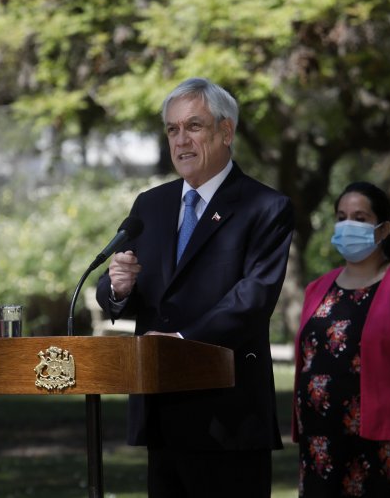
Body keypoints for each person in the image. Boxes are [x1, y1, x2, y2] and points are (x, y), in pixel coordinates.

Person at [95, 77, 294, 497]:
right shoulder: (151, 204)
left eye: (194, 126)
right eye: (172, 129)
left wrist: (183, 341)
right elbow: (115, 286)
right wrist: (118, 287)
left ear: (226, 131)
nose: (181, 140)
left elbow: (254, 297)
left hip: (228, 415)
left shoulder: (265, 207)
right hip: (162, 409)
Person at [293, 181, 390, 497]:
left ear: (383, 230)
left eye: (360, 217)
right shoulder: (317, 289)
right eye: (342, 216)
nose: (348, 224)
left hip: (385, 440)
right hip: (320, 438)